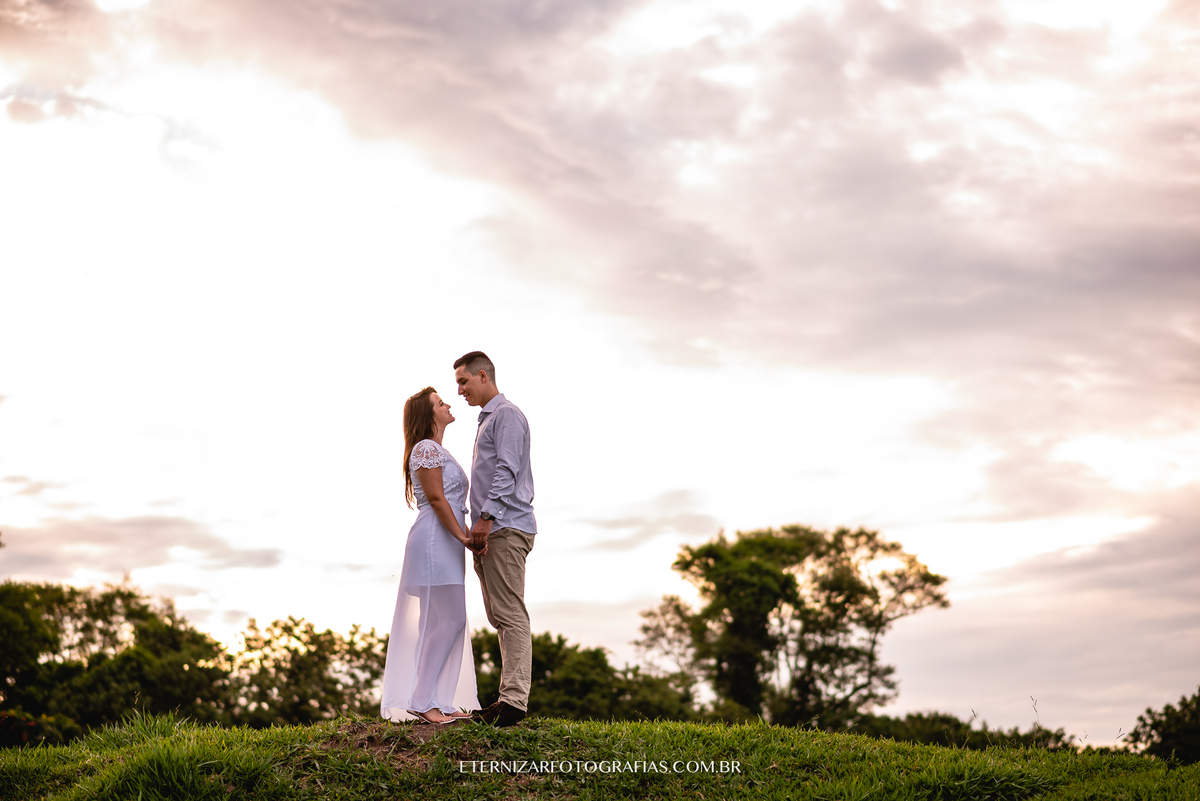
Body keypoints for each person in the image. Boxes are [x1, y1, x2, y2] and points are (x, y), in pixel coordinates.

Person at [380, 387, 481, 725]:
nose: (448, 404)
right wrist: (464, 537)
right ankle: (423, 701)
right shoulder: (425, 448)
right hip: (436, 539)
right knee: (451, 619)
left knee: (442, 621)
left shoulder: (439, 450)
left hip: (446, 539)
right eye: (440, 403)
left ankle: (437, 699)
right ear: (429, 415)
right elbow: (437, 500)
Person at [454, 351, 536, 728]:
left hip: (504, 526)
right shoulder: (488, 419)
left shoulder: (507, 415)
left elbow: (507, 469)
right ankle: (507, 698)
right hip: (492, 529)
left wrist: (485, 518)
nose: (460, 391)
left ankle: (514, 702)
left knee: (510, 613)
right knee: (499, 615)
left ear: (482, 375)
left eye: (463, 382)